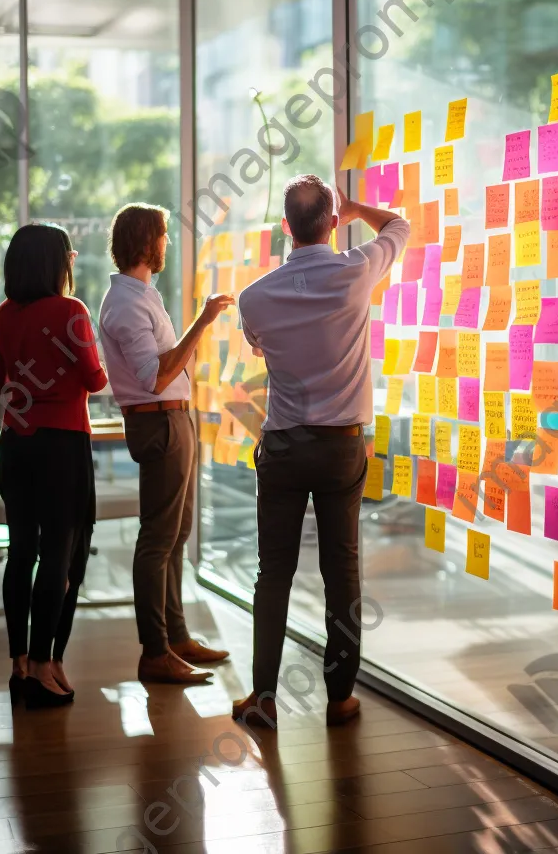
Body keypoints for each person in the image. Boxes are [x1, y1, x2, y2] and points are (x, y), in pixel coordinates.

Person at [231, 173, 410, 729]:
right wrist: (354, 208)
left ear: (285, 227)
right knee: (342, 570)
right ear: (332, 223)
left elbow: (260, 348)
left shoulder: (254, 297)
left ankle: (263, 697)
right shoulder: (357, 271)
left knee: (274, 572)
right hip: (340, 447)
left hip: (285, 445)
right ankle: (340, 697)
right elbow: (401, 225)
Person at [99, 203, 234, 685]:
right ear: (145, 242)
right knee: (157, 540)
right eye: (162, 235)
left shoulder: (142, 295)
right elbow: (156, 377)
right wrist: (203, 320)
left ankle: (175, 636)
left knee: (175, 536)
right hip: (159, 423)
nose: (167, 244)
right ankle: (154, 652)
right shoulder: (126, 304)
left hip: (175, 421)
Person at [0, 224, 108, 710]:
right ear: (56, 263)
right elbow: (96, 379)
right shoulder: (71, 311)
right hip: (62, 446)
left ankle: (20, 664)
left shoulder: (5, 312)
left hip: (16, 445)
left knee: (21, 552)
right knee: (60, 553)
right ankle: (44, 664)